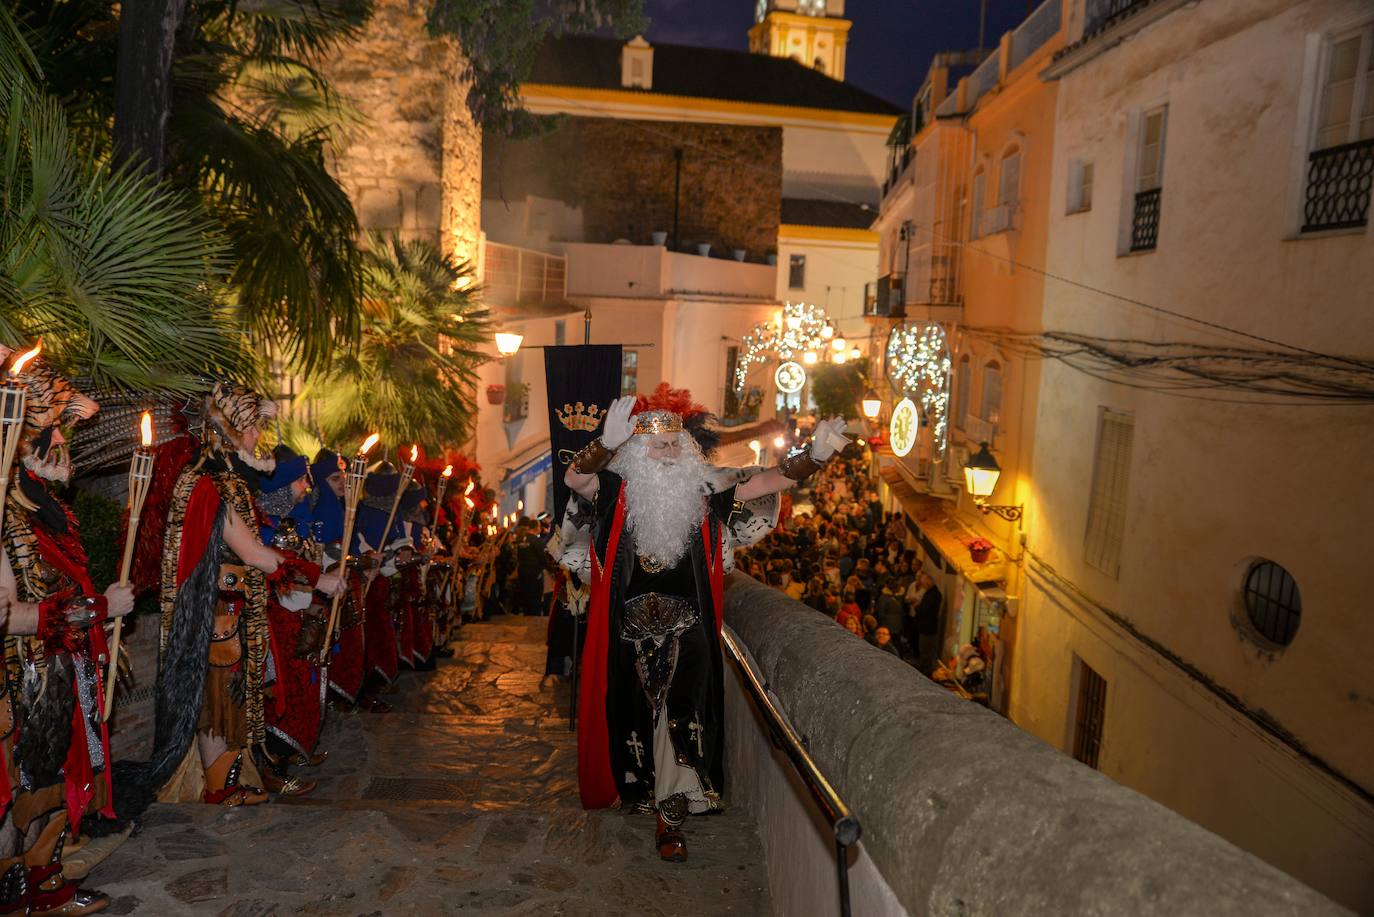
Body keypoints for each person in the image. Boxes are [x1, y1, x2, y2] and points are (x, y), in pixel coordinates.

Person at [566, 385, 846, 863]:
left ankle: (669, 818)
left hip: (689, 629)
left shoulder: (700, 492)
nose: (670, 454)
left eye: (676, 445)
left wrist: (814, 458)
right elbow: (576, 480)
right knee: (638, 716)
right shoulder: (616, 488)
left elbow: (761, 482)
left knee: (676, 716)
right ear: (636, 452)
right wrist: (604, 444)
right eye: (658, 445)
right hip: (628, 630)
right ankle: (648, 793)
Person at [115, 382, 342, 824]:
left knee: (228, 699)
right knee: (218, 702)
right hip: (214, 614)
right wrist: (319, 579)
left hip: (228, 609)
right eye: (253, 428)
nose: (259, 438)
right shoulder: (210, 483)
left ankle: (229, 781)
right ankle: (220, 787)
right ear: (227, 429)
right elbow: (255, 553)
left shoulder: (221, 478)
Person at [0, 351, 134, 915]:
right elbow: (10, 612)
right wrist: (99, 608)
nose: (64, 437)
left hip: (48, 668)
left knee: (43, 771)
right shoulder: (8, 504)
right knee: (28, 778)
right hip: (21, 671)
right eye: (52, 426)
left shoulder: (31, 495)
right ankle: (28, 886)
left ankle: (39, 878)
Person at [911, 573, 944, 675]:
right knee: (925, 651)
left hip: (927, 628)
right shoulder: (933, 593)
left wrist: (917, 606)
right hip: (927, 627)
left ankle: (924, 673)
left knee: (925, 652)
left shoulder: (932, 595)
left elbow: (925, 611)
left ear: (929, 583)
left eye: (924, 584)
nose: (923, 586)